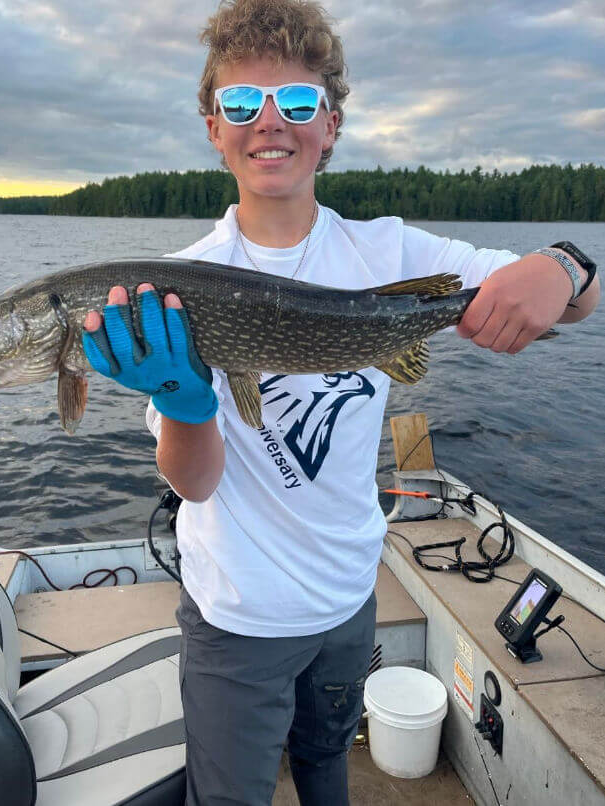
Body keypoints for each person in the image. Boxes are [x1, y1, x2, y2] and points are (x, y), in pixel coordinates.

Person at [81, 1, 600, 803]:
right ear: (212, 128)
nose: (269, 125)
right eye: (240, 105)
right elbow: (194, 484)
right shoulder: (175, 283)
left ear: (329, 125)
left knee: (328, 763)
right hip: (237, 616)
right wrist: (188, 407)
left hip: (347, 594)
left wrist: (561, 265)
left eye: (294, 104)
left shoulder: (388, 250)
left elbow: (576, 300)